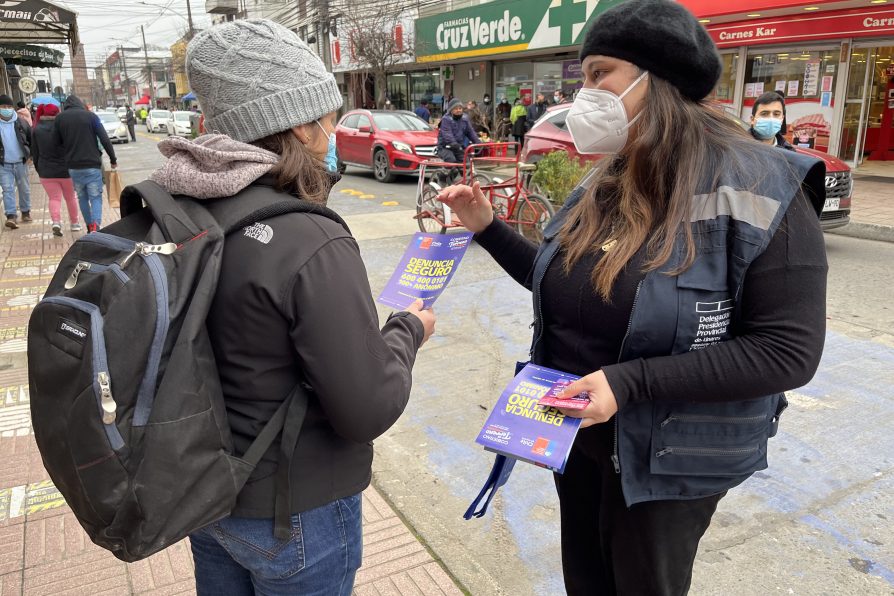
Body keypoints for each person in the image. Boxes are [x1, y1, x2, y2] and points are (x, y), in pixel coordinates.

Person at [439, 1, 827, 594]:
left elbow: (787, 352)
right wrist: (489, 229)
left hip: (669, 462)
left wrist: (628, 384)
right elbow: (568, 285)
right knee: (587, 582)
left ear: (657, 79)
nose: (584, 92)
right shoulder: (612, 178)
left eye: (600, 73)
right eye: (583, 75)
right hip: (578, 435)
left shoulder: (762, 183)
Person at [150, 19, 435, 594]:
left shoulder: (174, 209)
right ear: (299, 125)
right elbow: (367, 407)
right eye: (327, 119)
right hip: (293, 509)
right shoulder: (309, 240)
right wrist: (408, 331)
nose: (331, 134)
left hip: (203, 491)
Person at [53, 95, 118, 233]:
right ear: (80, 104)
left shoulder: (60, 119)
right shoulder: (91, 117)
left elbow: (56, 143)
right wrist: (113, 159)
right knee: (95, 197)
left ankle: (89, 226)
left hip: (73, 167)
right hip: (92, 164)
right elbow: (105, 139)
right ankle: (95, 226)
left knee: (82, 197)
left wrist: (67, 154)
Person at [31, 103, 80, 235]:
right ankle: (75, 223)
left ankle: (56, 222)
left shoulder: (36, 129)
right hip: (67, 170)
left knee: (54, 198)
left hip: (46, 171)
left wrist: (39, 169)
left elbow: (35, 153)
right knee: (71, 197)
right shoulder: (63, 128)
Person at [0, 94, 32, 229]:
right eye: (3, 107)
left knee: (24, 188)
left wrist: (30, 157)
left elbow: (31, 139)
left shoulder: (21, 122)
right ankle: (11, 216)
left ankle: (25, 212)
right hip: (4, 164)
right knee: (7, 189)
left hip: (21, 162)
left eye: (8, 106)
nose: (6, 109)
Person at [437, 98, 479, 164]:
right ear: (451, 110)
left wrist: (478, 143)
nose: (458, 110)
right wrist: (454, 144)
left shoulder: (465, 118)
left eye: (460, 108)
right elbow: (447, 135)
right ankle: (443, 174)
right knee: (451, 160)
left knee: (466, 164)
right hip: (445, 147)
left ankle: (464, 173)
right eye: (456, 109)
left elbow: (470, 132)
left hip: (458, 147)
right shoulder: (446, 119)